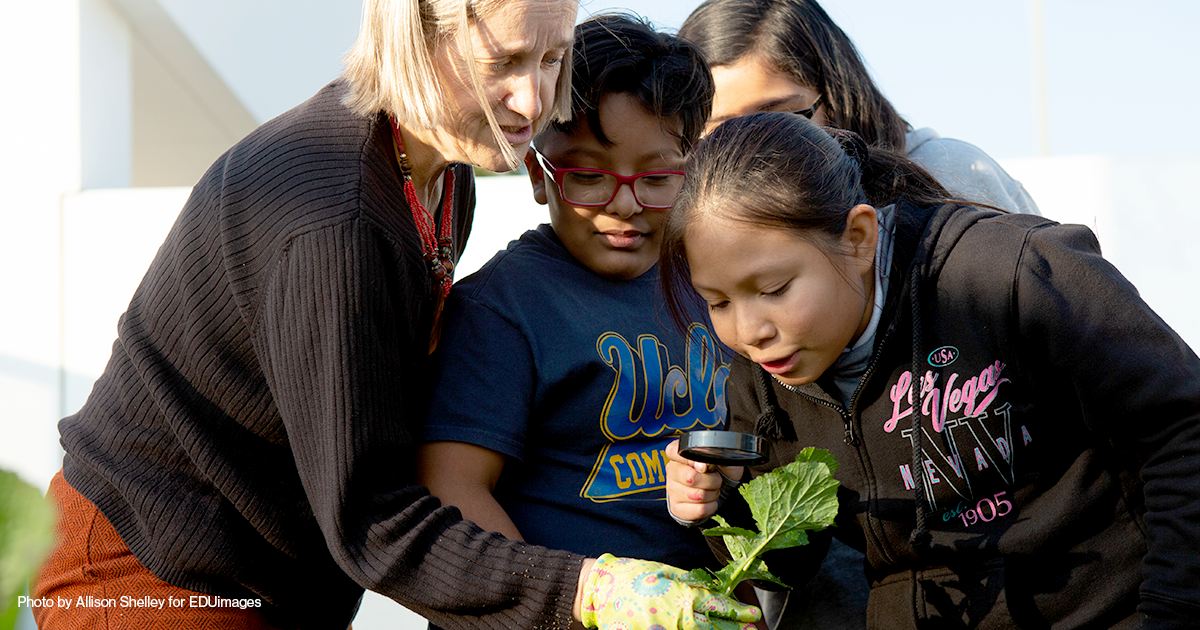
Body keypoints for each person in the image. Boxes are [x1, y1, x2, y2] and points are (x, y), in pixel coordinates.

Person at [28, 0, 761, 628]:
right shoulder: (336, 217)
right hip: (153, 570)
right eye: (503, 62)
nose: (535, 102)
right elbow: (374, 520)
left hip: (270, 581)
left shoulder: (446, 172)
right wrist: (591, 592)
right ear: (417, 32)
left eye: (551, 59)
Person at [658, 111, 1200, 628]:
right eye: (718, 302)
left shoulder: (1004, 275)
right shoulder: (762, 374)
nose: (750, 331)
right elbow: (789, 563)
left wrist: (1169, 613)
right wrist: (714, 504)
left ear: (858, 238)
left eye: (774, 290)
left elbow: (1181, 429)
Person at [416, 13, 747, 625]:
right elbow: (451, 490)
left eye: (656, 178)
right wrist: (567, 605)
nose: (623, 204)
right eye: (588, 177)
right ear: (540, 176)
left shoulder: (720, 286)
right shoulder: (502, 308)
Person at [677, 0, 1041, 216]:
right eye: (721, 131)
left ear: (835, 100)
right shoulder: (690, 220)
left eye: (776, 119)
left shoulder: (949, 173)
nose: (750, 149)